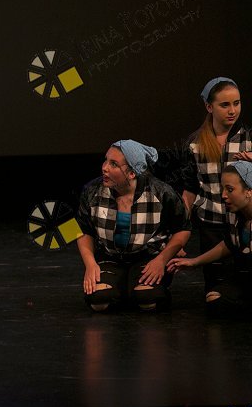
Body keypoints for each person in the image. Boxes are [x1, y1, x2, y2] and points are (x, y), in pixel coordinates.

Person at [75, 140, 191, 311]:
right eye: (106, 160)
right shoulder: (92, 191)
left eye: (114, 164)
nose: (104, 168)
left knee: (148, 299)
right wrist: (90, 264)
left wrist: (161, 260)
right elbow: (83, 230)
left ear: (131, 173)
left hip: (148, 257)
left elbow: (182, 229)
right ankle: (122, 286)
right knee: (99, 301)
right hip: (109, 256)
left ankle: (132, 288)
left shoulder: (162, 193)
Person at [181, 77, 252, 302]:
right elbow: (190, 189)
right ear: (209, 107)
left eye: (236, 103)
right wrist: (180, 234)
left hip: (243, 223)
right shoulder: (195, 143)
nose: (232, 111)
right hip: (211, 222)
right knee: (215, 294)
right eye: (225, 105)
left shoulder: (249, 139)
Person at [167, 161, 252, 315]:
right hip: (245, 276)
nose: (224, 195)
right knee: (214, 298)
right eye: (223, 189)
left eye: (230, 189)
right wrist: (194, 262)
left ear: (249, 191)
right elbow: (229, 244)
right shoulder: (235, 214)